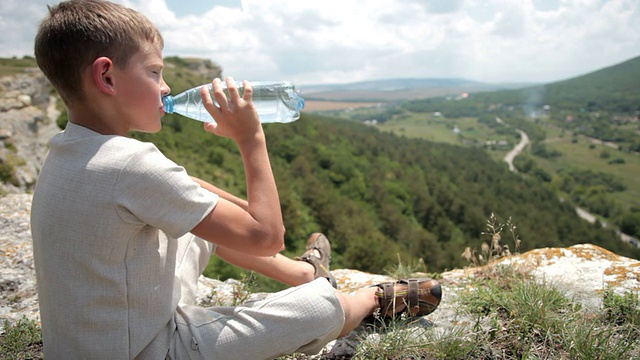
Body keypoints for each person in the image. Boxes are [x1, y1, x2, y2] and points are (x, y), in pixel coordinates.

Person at [29, 1, 442, 359]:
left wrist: (243, 215)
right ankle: (366, 301)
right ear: (106, 77)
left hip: (97, 341)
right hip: (150, 351)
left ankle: (304, 275)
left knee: (195, 224)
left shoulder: (69, 150)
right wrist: (251, 139)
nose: (166, 85)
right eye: (155, 72)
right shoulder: (130, 164)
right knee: (317, 309)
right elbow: (267, 237)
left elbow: (191, 196)